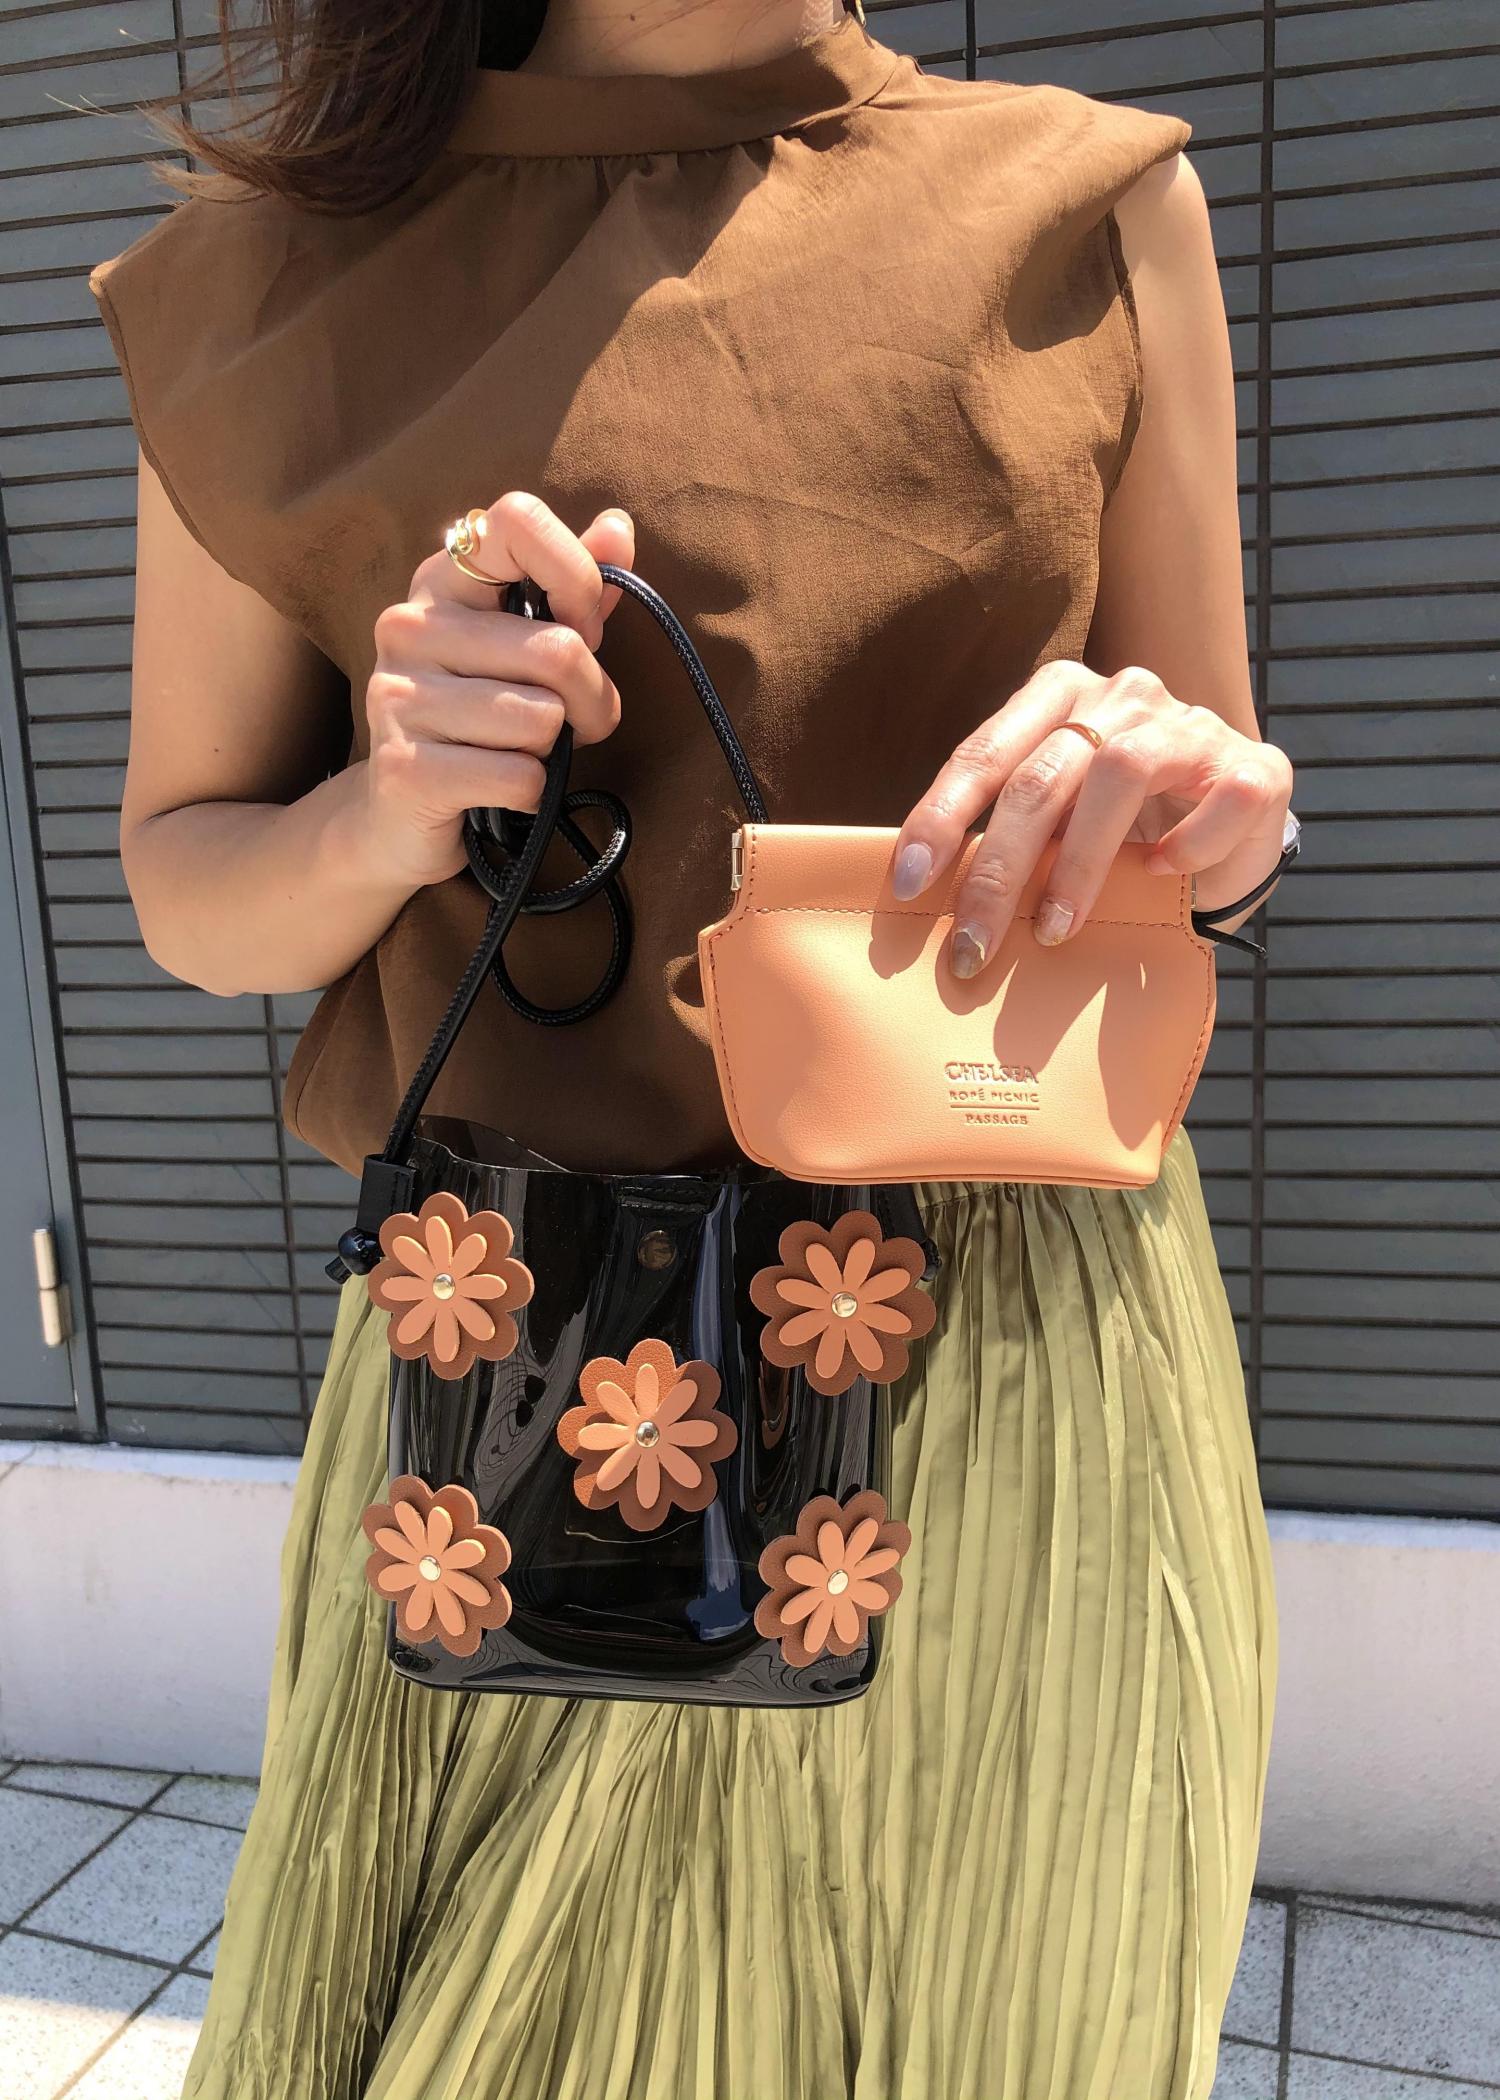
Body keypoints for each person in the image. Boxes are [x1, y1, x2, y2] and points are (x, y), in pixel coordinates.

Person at [88, 0, 1290, 2093]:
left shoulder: (1091, 205)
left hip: (1025, 1379)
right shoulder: (270, 275)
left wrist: (1218, 804)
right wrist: (390, 804)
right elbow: (187, 883)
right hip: (518, 1374)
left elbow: (1202, 849)